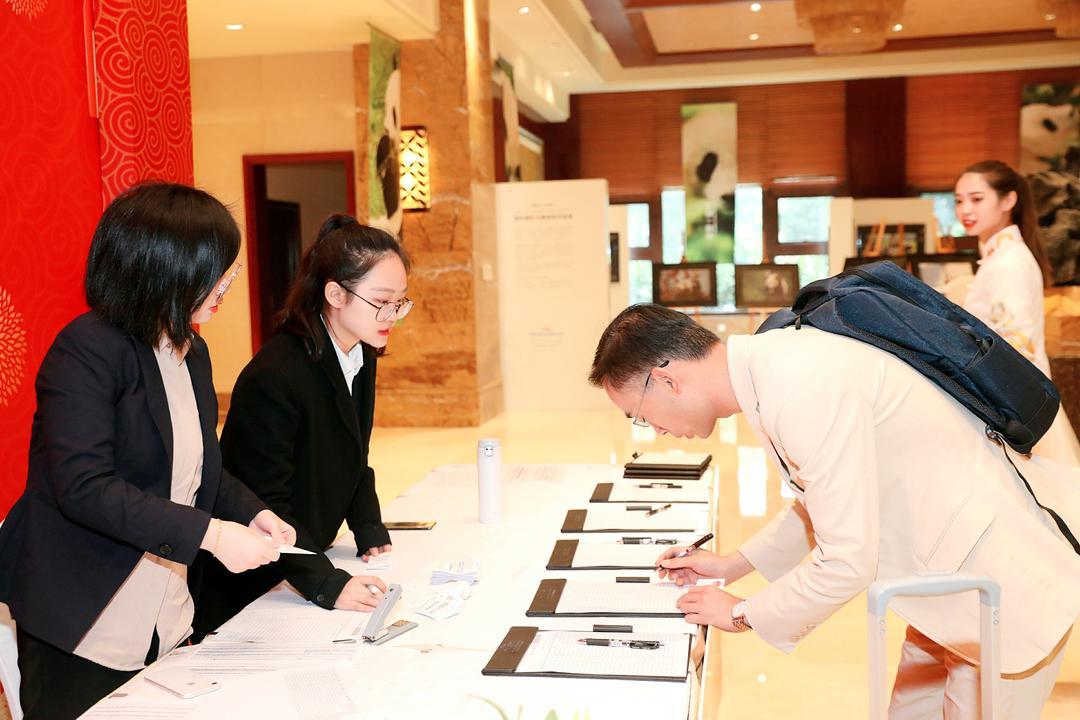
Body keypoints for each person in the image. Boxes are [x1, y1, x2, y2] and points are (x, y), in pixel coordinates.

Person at [589, 303, 1080, 719]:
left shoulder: (798, 383)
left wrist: (741, 613)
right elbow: (818, 499)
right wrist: (731, 565)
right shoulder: (774, 365)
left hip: (996, 589)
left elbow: (846, 560)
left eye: (640, 415)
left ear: (666, 380)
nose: (654, 430)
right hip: (942, 584)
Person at [0, 182, 296, 718]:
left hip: (168, 608)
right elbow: (85, 488)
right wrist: (213, 535)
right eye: (217, 272)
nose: (225, 286)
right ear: (165, 268)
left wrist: (253, 513)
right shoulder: (88, 348)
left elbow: (197, 468)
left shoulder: (191, 349)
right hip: (83, 611)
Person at [192, 214, 412, 639]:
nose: (394, 315)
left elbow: (354, 451)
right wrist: (326, 583)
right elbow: (265, 500)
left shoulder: (360, 351)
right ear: (335, 294)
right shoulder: (278, 374)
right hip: (253, 578)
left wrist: (367, 524)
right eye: (382, 301)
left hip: (307, 548)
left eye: (400, 302)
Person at [954, 159, 1080, 466]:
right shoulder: (1002, 257)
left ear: (1008, 200)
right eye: (959, 201)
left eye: (977, 199)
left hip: (1015, 407)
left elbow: (1017, 345)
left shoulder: (1007, 263)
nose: (965, 209)